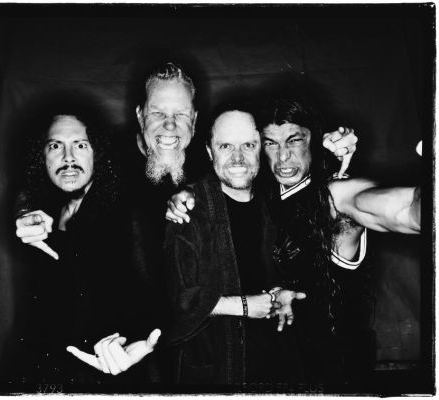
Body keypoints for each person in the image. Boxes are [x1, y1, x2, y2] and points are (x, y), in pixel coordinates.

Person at [166, 98, 421, 385]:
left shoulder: (333, 195)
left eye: (295, 140)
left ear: (316, 142)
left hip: (334, 375)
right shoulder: (263, 199)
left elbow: (395, 210)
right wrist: (187, 193)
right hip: (275, 372)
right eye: (271, 143)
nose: (283, 156)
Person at [14, 107, 159, 388]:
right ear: (42, 157)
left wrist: (136, 342)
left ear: (97, 153)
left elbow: (156, 296)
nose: (68, 158)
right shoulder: (47, 211)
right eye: (55, 146)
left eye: (80, 145)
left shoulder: (128, 214)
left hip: (109, 378)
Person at [164, 108, 308, 386]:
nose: (238, 158)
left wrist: (282, 292)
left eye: (248, 145)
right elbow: (179, 299)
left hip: (274, 366)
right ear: (209, 152)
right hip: (218, 371)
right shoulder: (188, 209)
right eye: (226, 146)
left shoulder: (273, 202)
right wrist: (243, 306)